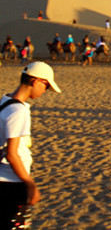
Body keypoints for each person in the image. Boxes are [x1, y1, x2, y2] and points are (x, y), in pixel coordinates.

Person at [0, 62, 61, 229]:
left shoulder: (4, 102)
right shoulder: (19, 111)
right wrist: (29, 183)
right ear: (36, 82)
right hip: (12, 181)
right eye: (46, 86)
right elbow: (12, 154)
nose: (45, 91)